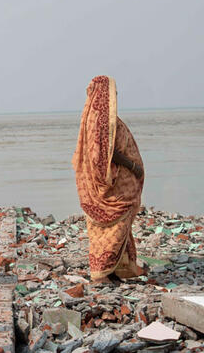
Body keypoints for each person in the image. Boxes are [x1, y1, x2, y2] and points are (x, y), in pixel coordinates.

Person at [72, 76, 146, 283]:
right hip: (112, 187)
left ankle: (113, 269)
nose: (116, 96)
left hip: (109, 185)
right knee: (116, 225)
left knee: (112, 228)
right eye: (113, 92)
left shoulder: (93, 117)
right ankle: (101, 273)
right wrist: (133, 166)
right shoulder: (101, 119)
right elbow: (106, 152)